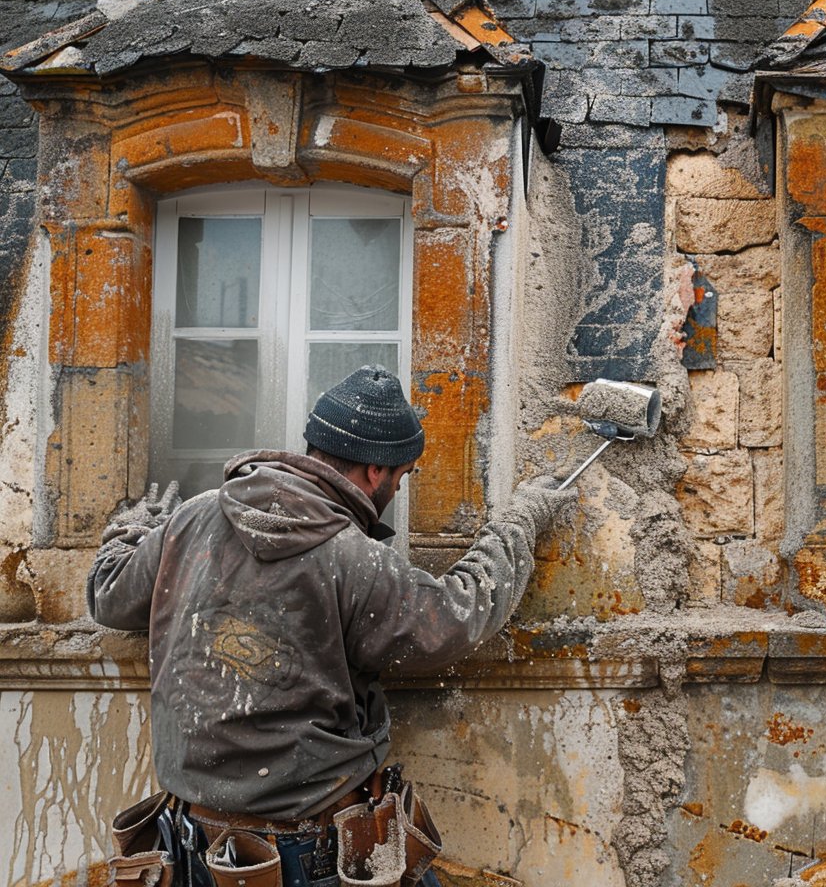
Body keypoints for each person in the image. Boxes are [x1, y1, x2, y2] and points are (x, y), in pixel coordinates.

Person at [86, 364, 576, 887]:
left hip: (191, 841)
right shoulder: (352, 558)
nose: (396, 489)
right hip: (304, 847)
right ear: (373, 472)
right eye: (401, 476)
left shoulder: (191, 521)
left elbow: (108, 595)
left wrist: (135, 528)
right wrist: (517, 525)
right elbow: (455, 618)